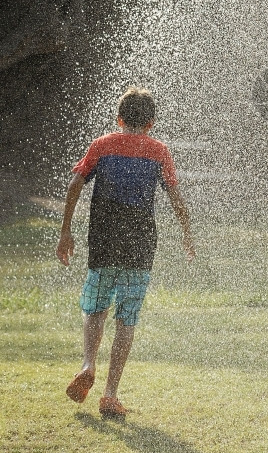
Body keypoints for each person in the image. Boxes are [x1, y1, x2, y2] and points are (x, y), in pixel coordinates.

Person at [56, 86, 194, 419]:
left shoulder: (102, 146)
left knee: (96, 307)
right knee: (126, 317)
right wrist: (187, 233)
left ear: (119, 119)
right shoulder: (159, 151)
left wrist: (65, 232)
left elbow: (75, 184)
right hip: (140, 244)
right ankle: (110, 395)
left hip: (104, 240)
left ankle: (88, 364)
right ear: (151, 123)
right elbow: (175, 196)